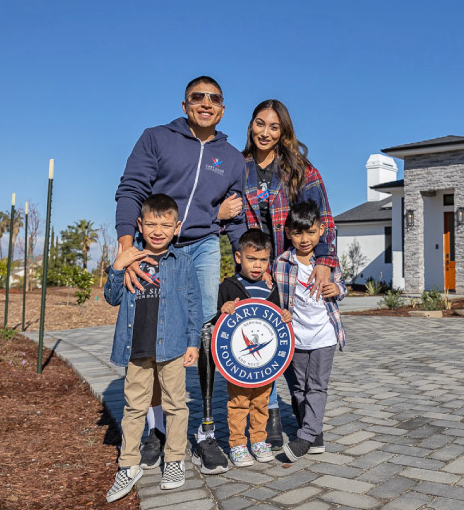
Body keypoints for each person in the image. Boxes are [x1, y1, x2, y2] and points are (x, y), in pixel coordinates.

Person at [115, 75, 245, 471]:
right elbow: (131, 189)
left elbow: (236, 216)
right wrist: (127, 247)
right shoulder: (156, 138)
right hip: (156, 245)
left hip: (203, 245)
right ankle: (155, 428)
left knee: (202, 328)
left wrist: (244, 265)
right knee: (153, 330)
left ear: (223, 108)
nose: (206, 103)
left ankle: (204, 430)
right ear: (185, 103)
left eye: (214, 98)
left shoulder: (233, 157)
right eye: (197, 97)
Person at [219, 98, 339, 449]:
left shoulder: (301, 170)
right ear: (250, 126)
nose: (265, 132)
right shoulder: (237, 168)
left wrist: (323, 261)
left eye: (274, 126)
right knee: (265, 341)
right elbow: (232, 222)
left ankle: (308, 419)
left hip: (294, 269)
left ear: (283, 131)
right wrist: (248, 260)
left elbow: (325, 219)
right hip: (257, 270)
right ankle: (271, 416)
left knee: (294, 339)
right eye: (259, 124)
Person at [104, 194, 201, 502]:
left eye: (165, 224)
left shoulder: (183, 263)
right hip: (137, 347)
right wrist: (119, 264)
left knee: (175, 405)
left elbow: (193, 306)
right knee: (134, 407)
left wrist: (193, 343)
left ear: (176, 227)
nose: (158, 230)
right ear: (140, 225)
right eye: (151, 224)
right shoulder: (131, 261)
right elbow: (112, 296)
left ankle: (174, 460)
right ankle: (128, 464)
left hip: (172, 347)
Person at [200, 229, 292, 470]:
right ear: (239, 257)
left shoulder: (271, 289)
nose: (257, 265)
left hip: (264, 363)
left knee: (262, 402)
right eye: (252, 259)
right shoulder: (228, 286)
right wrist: (224, 309)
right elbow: (215, 318)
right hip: (238, 362)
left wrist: (284, 315)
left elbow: (275, 320)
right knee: (239, 402)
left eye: (263, 260)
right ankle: (238, 444)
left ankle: (259, 440)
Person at [274, 201, 346, 462]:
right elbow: (275, 297)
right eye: (298, 233)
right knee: (298, 390)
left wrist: (337, 290)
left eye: (311, 232)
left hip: (324, 335)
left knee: (316, 386)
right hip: (295, 336)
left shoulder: (327, 260)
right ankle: (314, 433)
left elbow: (342, 285)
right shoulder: (282, 262)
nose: (305, 239)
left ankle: (305, 437)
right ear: (288, 232)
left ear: (321, 230)